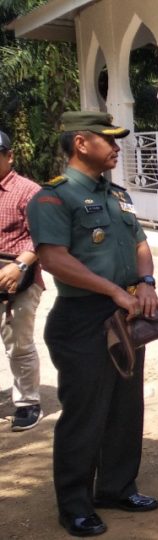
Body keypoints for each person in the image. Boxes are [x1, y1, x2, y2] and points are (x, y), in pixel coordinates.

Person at [28, 111, 158, 537]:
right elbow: (54, 259)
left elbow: (140, 244)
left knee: (126, 407)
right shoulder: (53, 198)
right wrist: (114, 291)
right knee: (86, 414)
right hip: (83, 318)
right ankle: (75, 505)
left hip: (126, 312)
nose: (117, 146)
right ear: (82, 143)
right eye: (110, 139)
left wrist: (145, 283)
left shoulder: (117, 195)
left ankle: (117, 487)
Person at [0, 130, 44, 432]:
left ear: (9, 155)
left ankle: (28, 402)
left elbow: (44, 237)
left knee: (18, 344)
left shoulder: (28, 191)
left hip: (20, 280)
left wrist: (19, 265)